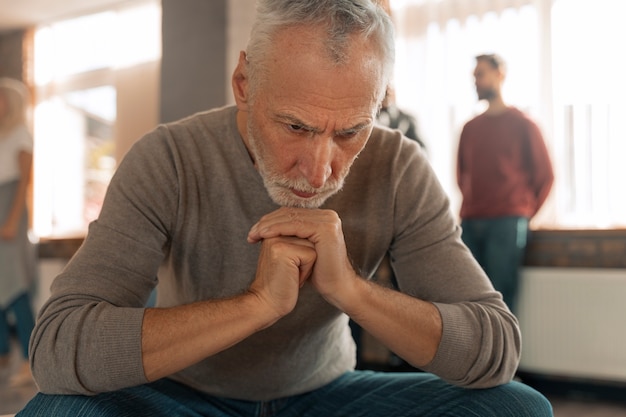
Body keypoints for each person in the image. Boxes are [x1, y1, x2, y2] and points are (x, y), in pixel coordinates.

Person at [19, 2, 552, 416]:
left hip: (329, 396)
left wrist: (351, 291)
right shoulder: (169, 158)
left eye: (350, 132)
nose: (320, 171)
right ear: (245, 84)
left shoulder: (399, 167)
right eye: (295, 126)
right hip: (182, 399)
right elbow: (59, 346)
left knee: (518, 408)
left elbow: (495, 346)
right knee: (56, 412)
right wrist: (255, 305)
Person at [456, 53, 554, 314]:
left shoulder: (524, 125)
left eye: (481, 74)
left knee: (501, 301)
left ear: (500, 75)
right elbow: (461, 175)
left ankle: (504, 357)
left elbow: (545, 175)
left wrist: (522, 214)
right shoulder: (470, 128)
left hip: (507, 223)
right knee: (470, 300)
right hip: (471, 223)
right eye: (474, 76)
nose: (476, 81)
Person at [0, 78, 36, 386]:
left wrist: (11, 221)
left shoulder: (21, 134)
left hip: (10, 210)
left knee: (15, 289)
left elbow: (24, 182)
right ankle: (3, 354)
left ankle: (29, 358)